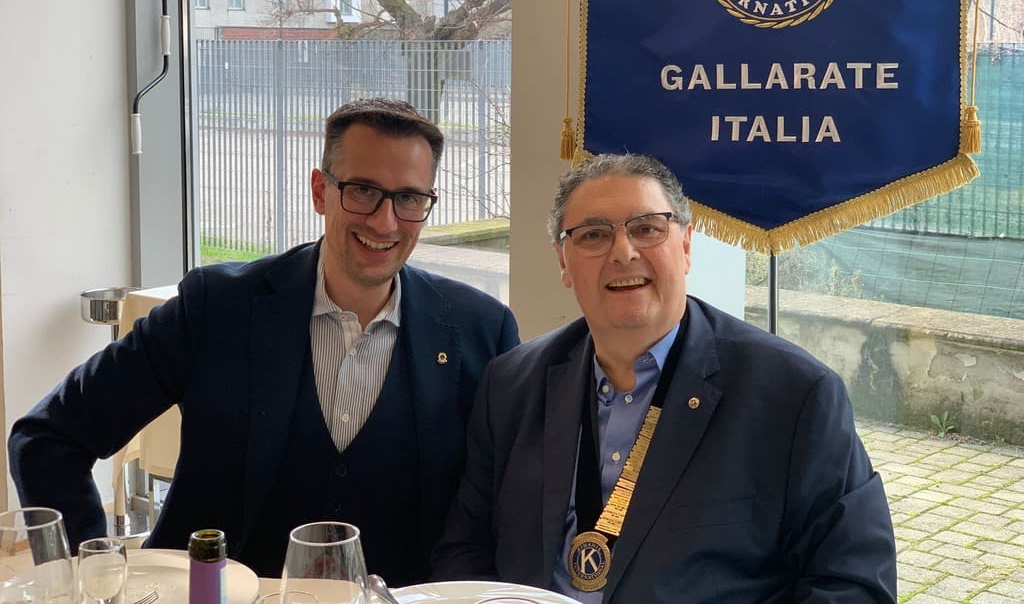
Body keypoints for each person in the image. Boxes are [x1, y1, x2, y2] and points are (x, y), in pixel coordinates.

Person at [9, 98, 519, 584]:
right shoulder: (215, 309)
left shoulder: (481, 331)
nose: (384, 222)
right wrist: (90, 576)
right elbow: (48, 438)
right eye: (362, 190)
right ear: (320, 191)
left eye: (408, 198)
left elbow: (506, 510)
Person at [433, 153, 897, 603]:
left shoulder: (795, 395)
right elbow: (464, 552)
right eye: (593, 235)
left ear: (686, 246)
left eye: (647, 228)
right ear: (562, 262)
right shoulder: (510, 385)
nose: (623, 252)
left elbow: (854, 584)